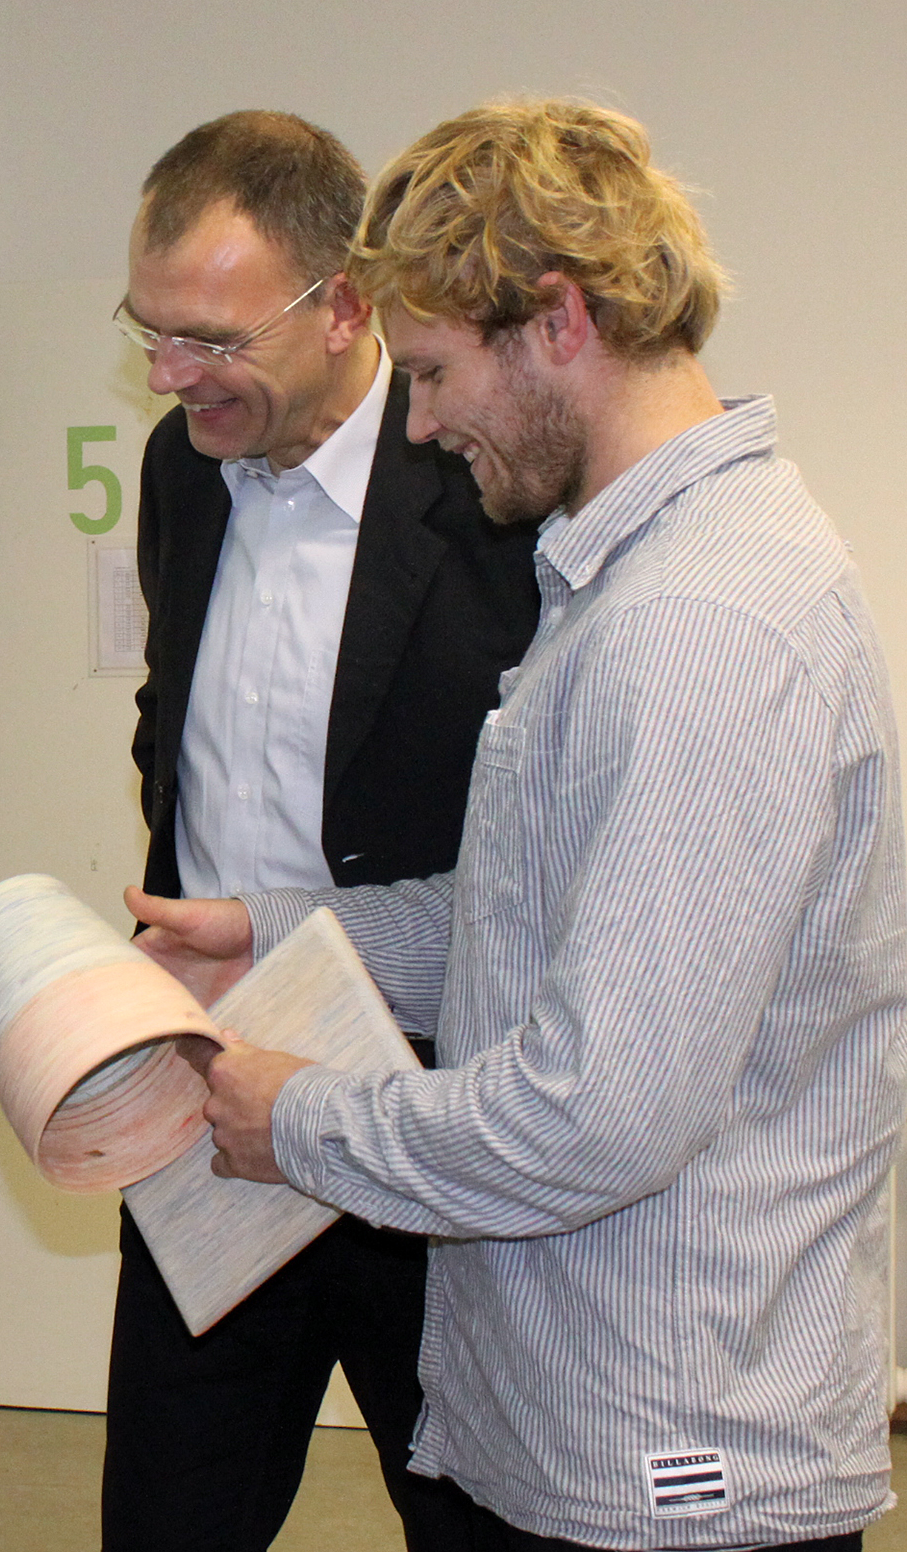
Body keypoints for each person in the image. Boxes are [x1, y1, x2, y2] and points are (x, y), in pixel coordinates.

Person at [135, 98, 905, 1552]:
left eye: (427, 371)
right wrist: (273, 940)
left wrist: (294, 1118)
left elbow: (588, 1113)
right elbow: (504, 912)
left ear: (552, 322)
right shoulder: (621, 577)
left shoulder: (698, 625)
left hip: (669, 1470)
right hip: (586, 1427)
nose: (416, 422)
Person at [110, 110, 536, 1550]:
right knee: (169, 1510)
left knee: (467, 1509)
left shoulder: (483, 484)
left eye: (210, 340)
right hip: (205, 1095)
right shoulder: (183, 472)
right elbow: (175, 720)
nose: (170, 380)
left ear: (343, 303)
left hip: (426, 1105)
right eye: (149, 331)